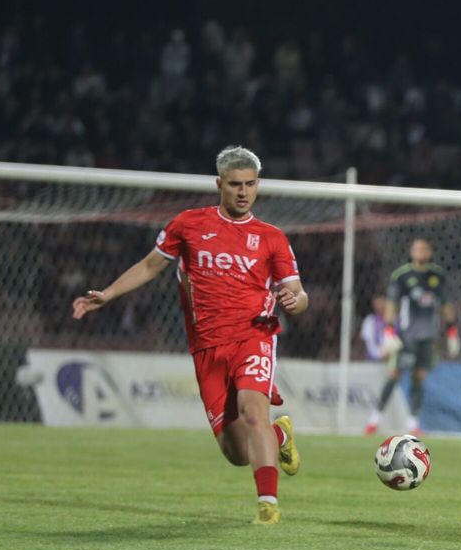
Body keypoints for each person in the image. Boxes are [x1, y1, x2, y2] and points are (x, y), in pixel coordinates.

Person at [71, 146, 307, 525]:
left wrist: (295, 300)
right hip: (207, 347)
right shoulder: (188, 225)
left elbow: (297, 290)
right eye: (235, 184)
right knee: (236, 453)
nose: (243, 192)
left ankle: (268, 505)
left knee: (253, 411)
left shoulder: (271, 237)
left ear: (258, 185)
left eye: (250, 184)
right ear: (219, 184)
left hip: (255, 337)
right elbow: (150, 265)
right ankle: (279, 436)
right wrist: (109, 294)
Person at [364, 239, 459, 437]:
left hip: (428, 336)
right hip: (406, 335)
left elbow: (445, 305)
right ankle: (375, 419)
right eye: (416, 249)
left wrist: (452, 331)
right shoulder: (402, 275)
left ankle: (412, 422)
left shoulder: (438, 276)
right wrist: (389, 330)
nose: (420, 252)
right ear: (411, 252)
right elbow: (392, 303)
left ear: (430, 252)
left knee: (419, 376)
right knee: (394, 374)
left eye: (424, 249)